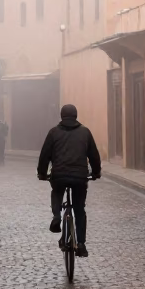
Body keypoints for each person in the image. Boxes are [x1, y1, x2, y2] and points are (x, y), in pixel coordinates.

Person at [37, 104, 101, 257]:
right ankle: (81, 244)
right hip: (80, 177)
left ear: (61, 116)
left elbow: (44, 155)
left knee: (57, 192)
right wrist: (96, 172)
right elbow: (94, 155)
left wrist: (42, 173)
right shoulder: (85, 132)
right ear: (76, 115)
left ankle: (57, 216)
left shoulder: (53, 132)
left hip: (59, 175)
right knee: (79, 210)